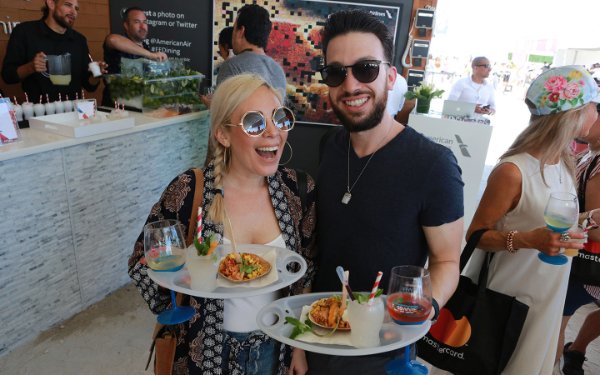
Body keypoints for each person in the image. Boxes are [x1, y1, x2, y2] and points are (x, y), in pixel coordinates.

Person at [301, 10, 464, 374]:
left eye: (366, 69)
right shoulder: (330, 145)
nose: (351, 85)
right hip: (318, 331)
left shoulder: (434, 164)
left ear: (390, 77)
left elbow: (447, 262)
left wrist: (421, 315)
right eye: (336, 72)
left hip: (384, 347)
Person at [128, 74, 316, 375]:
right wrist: (179, 298)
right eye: (255, 123)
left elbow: (306, 273)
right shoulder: (189, 190)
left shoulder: (298, 191)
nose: (273, 133)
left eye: (280, 119)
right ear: (223, 135)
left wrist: (299, 345)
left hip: (274, 350)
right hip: (203, 353)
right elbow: (142, 263)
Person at [462, 65, 600, 375]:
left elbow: (546, 221)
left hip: (548, 290)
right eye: (594, 105)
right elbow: (476, 235)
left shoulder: (563, 162)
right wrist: (528, 240)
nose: (596, 113)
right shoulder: (513, 171)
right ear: (573, 114)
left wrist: (588, 218)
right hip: (511, 292)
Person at [556, 109, 600, 375]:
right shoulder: (593, 158)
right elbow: (595, 228)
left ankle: (575, 351)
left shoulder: (587, 154)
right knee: (555, 326)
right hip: (586, 259)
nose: (586, 120)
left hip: (576, 253)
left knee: (557, 323)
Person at [1, 0, 107, 103]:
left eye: (76, 8)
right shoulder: (25, 32)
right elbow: (8, 76)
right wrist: (31, 67)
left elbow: (89, 86)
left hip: (73, 115)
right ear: (51, 3)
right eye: (68, 5)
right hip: (38, 115)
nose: (73, 12)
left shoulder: (79, 40)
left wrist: (96, 74)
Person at [216, 4, 286, 99]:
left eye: (235, 28)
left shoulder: (231, 67)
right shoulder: (278, 70)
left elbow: (223, 111)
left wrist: (212, 105)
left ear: (241, 31)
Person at [102, 6, 167, 106]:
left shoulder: (147, 48)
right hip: (117, 110)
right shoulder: (118, 43)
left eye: (144, 22)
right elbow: (112, 40)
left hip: (142, 109)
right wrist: (150, 55)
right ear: (126, 26)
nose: (142, 26)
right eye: (137, 22)